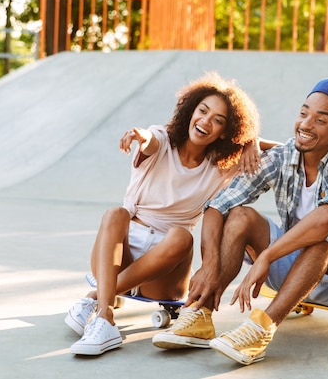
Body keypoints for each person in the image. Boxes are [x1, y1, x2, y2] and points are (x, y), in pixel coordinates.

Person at [152, 77, 328, 366]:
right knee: (239, 215)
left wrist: (267, 257)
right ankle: (201, 313)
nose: (306, 124)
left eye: (320, 120)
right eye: (303, 113)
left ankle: (261, 328)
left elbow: (327, 219)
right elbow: (216, 206)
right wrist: (210, 265)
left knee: (326, 231)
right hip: (295, 270)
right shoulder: (284, 156)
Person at [65, 72, 270, 356]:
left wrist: (252, 141)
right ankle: (104, 318)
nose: (205, 122)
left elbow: (289, 150)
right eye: (202, 111)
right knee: (116, 213)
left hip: (166, 267)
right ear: (190, 111)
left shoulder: (221, 165)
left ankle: (95, 297)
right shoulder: (161, 139)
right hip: (119, 255)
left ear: (225, 131)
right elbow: (150, 140)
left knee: (181, 235)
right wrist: (140, 136)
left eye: (218, 120)